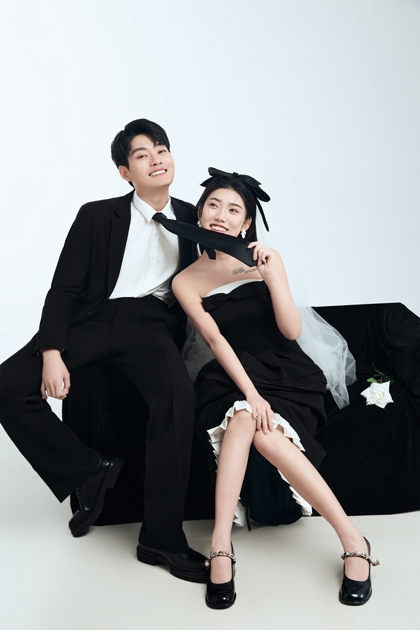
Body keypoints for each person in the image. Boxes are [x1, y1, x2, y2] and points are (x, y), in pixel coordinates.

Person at [0, 119, 208, 583]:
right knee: (8, 385)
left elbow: (221, 258)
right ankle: (89, 470)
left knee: (177, 399)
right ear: (124, 172)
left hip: (152, 324)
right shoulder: (97, 215)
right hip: (95, 319)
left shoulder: (193, 218)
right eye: (142, 154)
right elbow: (64, 288)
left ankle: (161, 539)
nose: (156, 159)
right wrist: (52, 350)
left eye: (162, 149)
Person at [171, 169, 380, 607]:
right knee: (243, 417)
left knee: (264, 433)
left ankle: (351, 538)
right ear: (200, 211)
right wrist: (251, 394)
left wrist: (271, 278)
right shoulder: (186, 280)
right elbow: (215, 341)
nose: (221, 215)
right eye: (214, 205)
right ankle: (221, 544)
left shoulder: (265, 257)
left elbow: (291, 330)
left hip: (286, 372)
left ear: (246, 222)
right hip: (230, 375)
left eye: (234, 210)